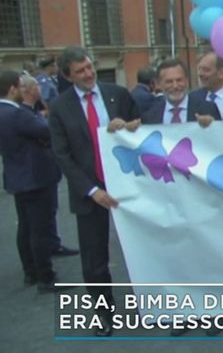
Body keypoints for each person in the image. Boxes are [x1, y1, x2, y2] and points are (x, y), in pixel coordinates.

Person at [48, 46, 141, 336]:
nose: (88, 74)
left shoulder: (118, 94)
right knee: (94, 259)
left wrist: (130, 126)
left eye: (89, 67)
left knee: (144, 245)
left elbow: (142, 127)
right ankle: (104, 313)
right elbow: (62, 155)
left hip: (128, 185)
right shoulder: (60, 108)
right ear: (68, 76)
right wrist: (91, 190)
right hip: (90, 192)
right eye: (80, 71)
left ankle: (157, 301)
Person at [0, 72, 77, 294]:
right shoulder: (17, 114)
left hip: (18, 176)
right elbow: (46, 131)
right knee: (38, 229)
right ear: (13, 89)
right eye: (19, 87)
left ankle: (31, 271)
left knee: (26, 227)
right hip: (35, 177)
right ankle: (46, 276)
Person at [18, 75, 78, 258]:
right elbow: (48, 131)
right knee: (37, 223)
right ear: (29, 90)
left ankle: (53, 245)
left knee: (48, 215)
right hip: (35, 175)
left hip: (43, 173)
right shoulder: (23, 114)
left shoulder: (34, 110)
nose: (40, 88)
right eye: (36, 85)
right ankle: (42, 268)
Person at [141, 59, 219, 126]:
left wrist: (212, 126)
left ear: (187, 81)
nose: (175, 86)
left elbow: (219, 135)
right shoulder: (149, 116)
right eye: (169, 81)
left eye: (179, 80)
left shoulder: (208, 110)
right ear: (159, 84)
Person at [189, 52, 223, 120]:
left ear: (221, 73)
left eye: (206, 70)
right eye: (199, 69)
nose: (200, 74)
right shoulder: (192, 98)